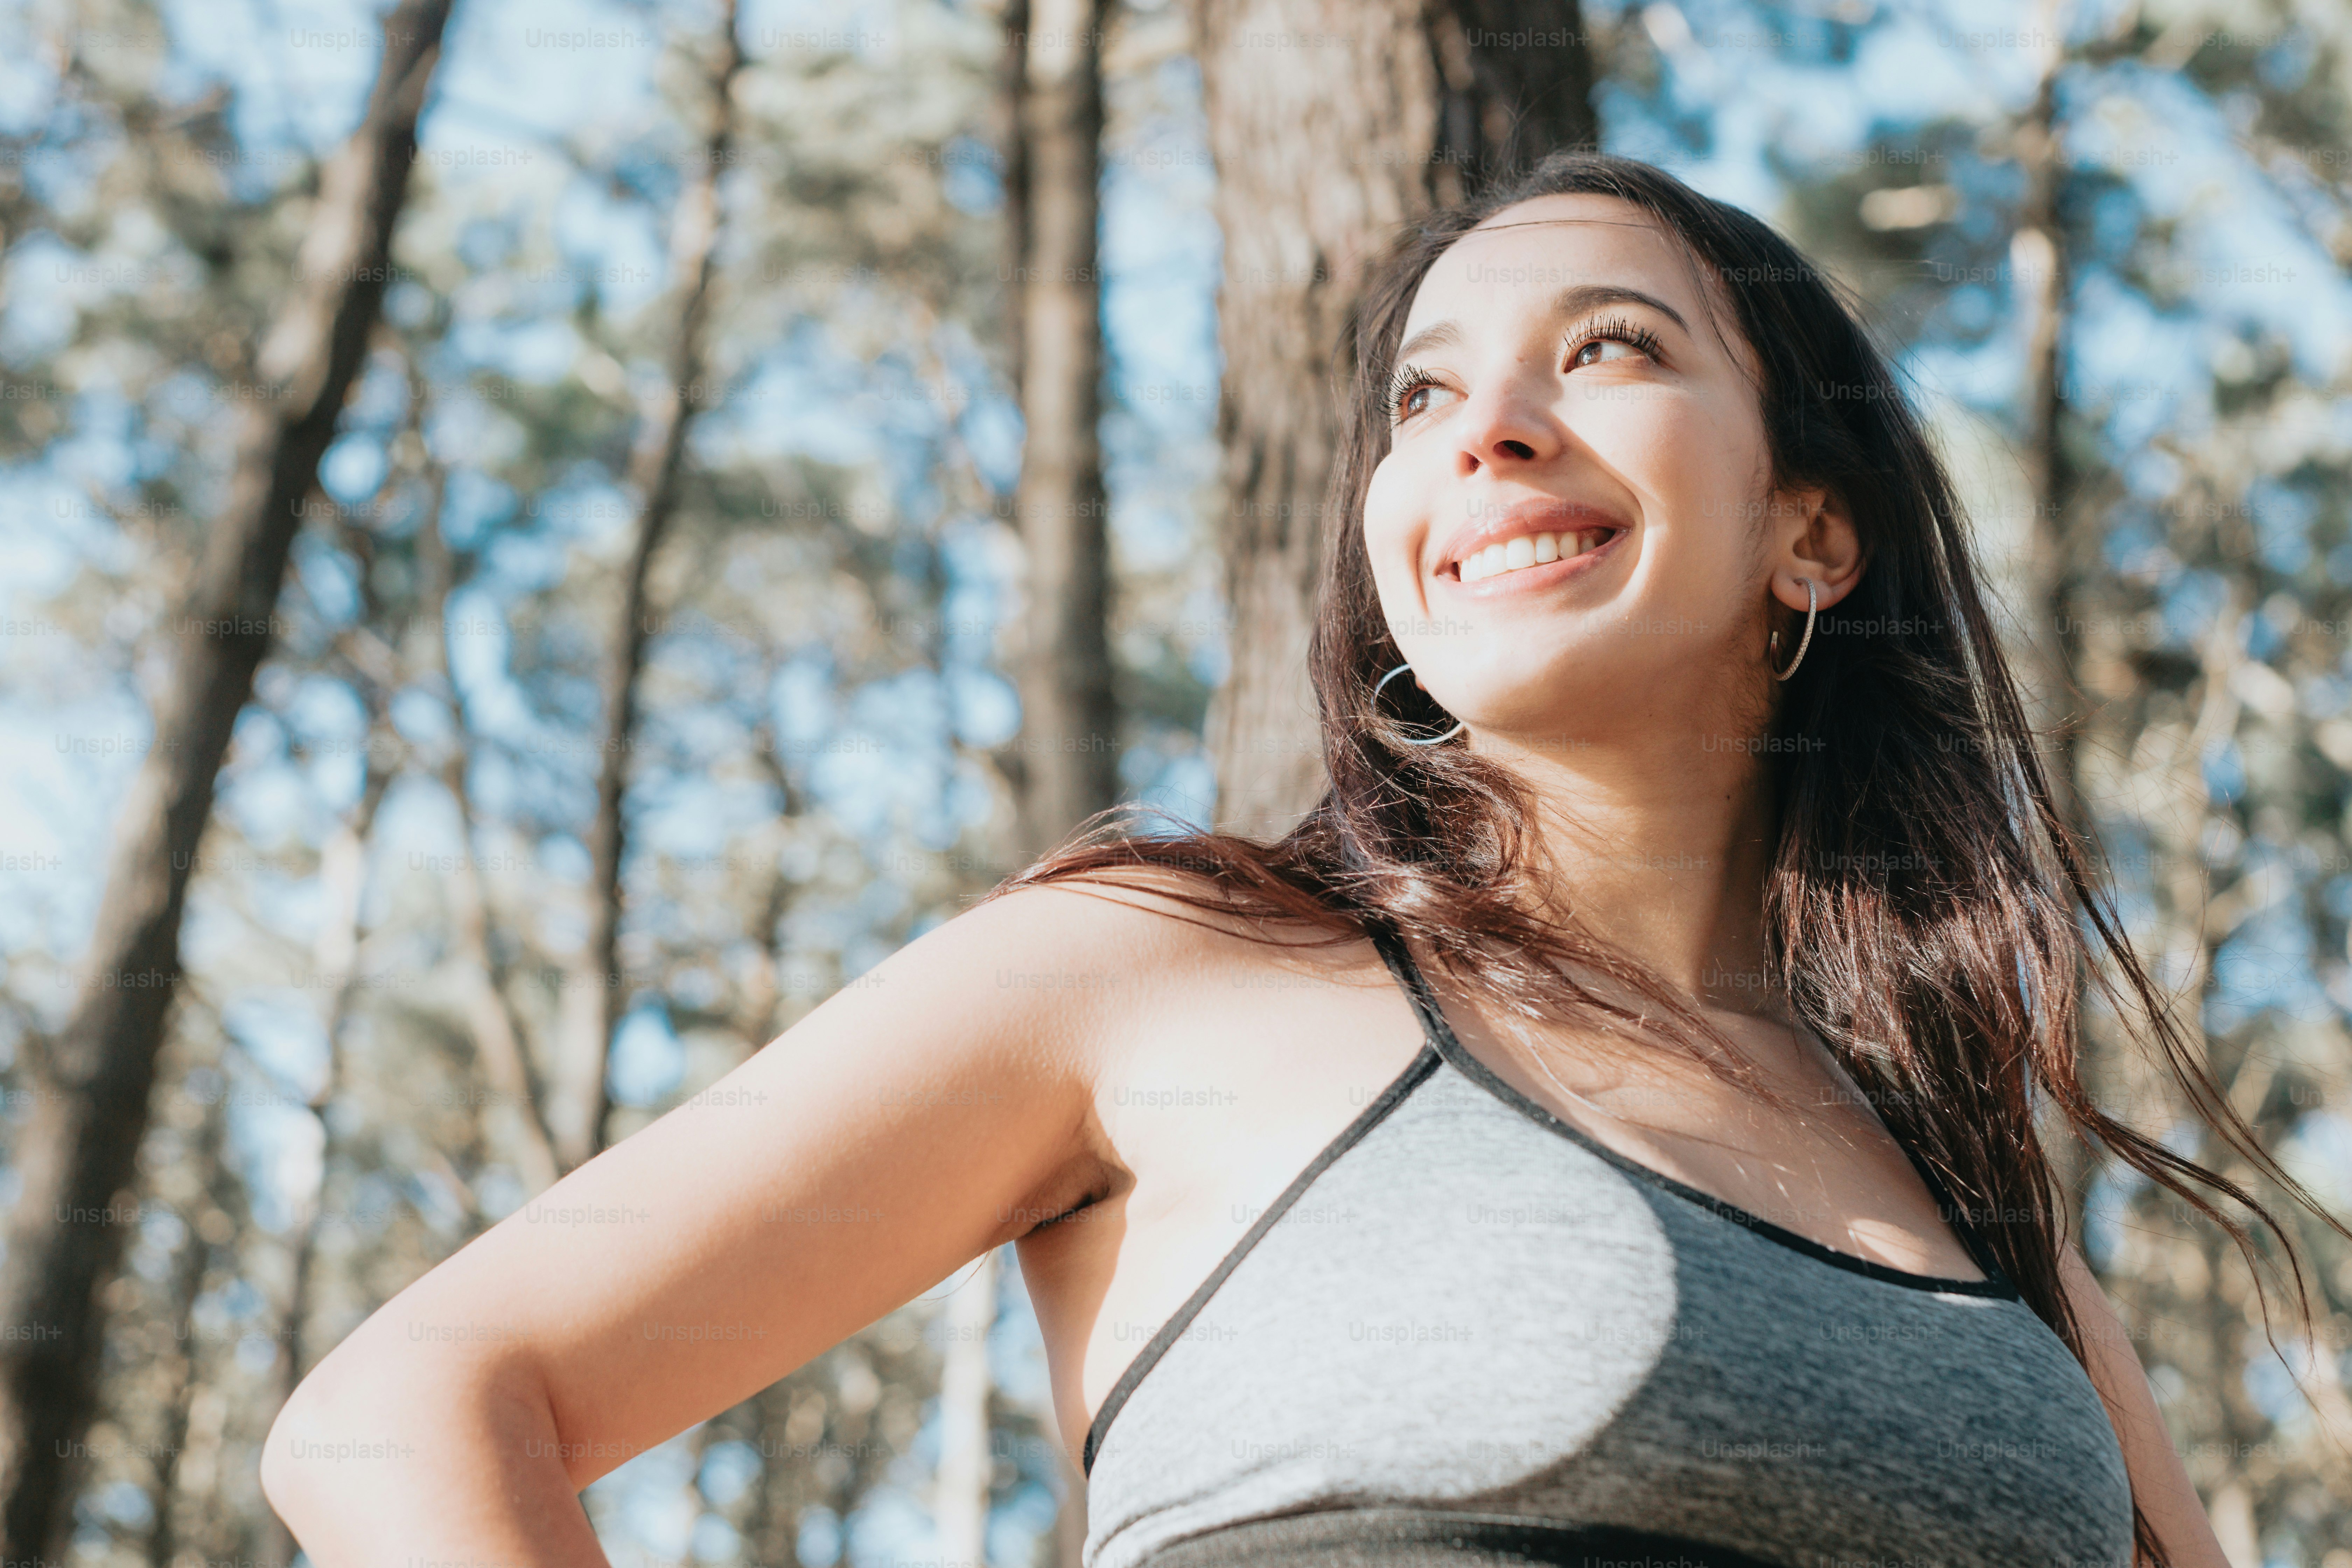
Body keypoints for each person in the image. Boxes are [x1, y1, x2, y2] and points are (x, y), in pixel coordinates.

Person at [261, 152, 2334, 1568]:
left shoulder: (1961, 1157)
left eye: (1607, 348)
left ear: (1817, 529)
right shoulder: (1162, 972)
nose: (1486, 430)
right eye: (1424, 397)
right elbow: (418, 1407)